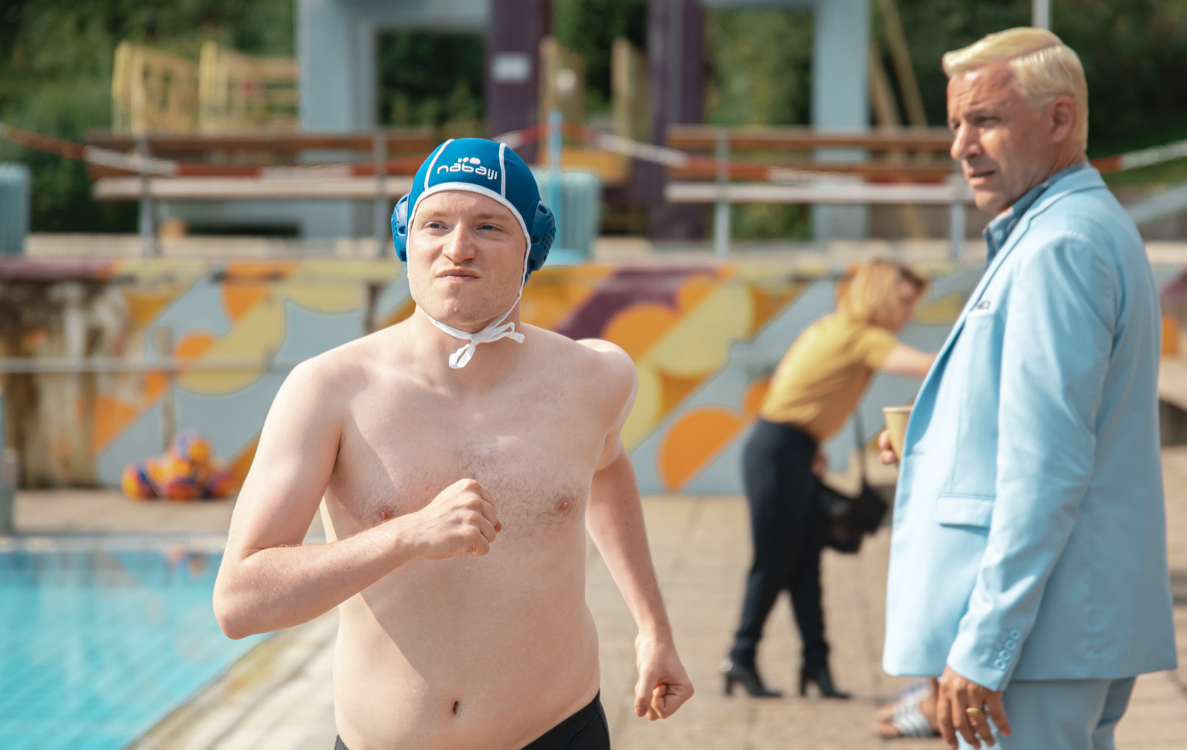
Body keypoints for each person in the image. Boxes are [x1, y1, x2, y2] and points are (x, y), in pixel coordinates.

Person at [212, 138, 693, 750]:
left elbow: (605, 468)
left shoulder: (594, 378)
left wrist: (653, 628)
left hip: (556, 730)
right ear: (405, 238)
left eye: (488, 226)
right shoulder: (330, 391)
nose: (458, 248)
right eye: (435, 224)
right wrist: (406, 535)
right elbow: (239, 602)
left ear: (533, 246)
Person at [876, 28, 1176, 750]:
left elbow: (1047, 467)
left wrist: (985, 647)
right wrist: (938, 438)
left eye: (985, 120)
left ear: (1059, 119)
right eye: (956, 124)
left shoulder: (1058, 246)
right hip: (1068, 629)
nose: (962, 146)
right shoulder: (1078, 227)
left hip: (1042, 641)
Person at [725, 259, 937, 700]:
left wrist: (809, 441)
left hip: (786, 447)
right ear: (880, 295)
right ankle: (740, 657)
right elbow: (928, 367)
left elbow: (788, 383)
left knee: (805, 563)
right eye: (903, 300)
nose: (908, 312)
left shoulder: (829, 327)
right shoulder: (862, 337)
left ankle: (816, 665)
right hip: (781, 450)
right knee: (774, 562)